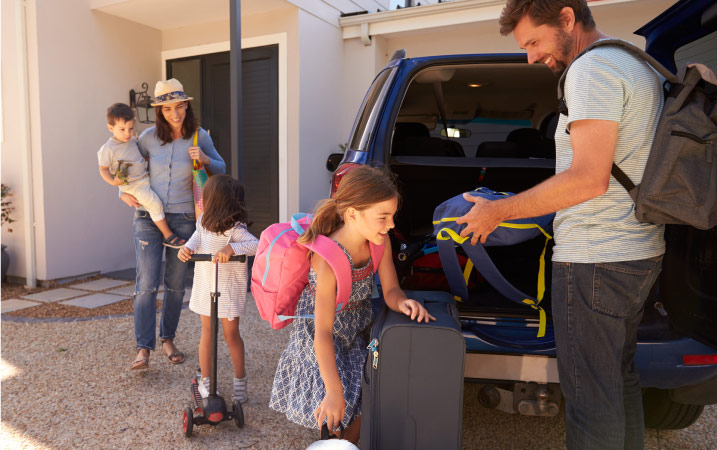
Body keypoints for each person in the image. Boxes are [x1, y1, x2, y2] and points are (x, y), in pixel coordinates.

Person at [457, 1, 665, 448]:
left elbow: (588, 178)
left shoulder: (592, 70)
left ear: (567, 19)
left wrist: (497, 211)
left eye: (534, 41)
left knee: (591, 401)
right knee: (618, 380)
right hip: (638, 252)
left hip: (595, 260)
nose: (530, 56)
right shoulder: (634, 63)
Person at [269, 166, 435, 444]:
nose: (391, 225)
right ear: (353, 214)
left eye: (392, 216)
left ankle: (347, 442)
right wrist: (333, 391)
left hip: (354, 332)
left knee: (366, 394)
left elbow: (391, 289)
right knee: (337, 405)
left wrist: (403, 302)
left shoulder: (379, 243)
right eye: (383, 217)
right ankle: (335, 441)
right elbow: (322, 332)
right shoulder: (328, 260)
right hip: (320, 338)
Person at [122, 78, 226, 371]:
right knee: (146, 283)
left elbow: (222, 167)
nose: (175, 114)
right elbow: (128, 168)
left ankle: (167, 339)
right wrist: (123, 193)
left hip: (183, 219)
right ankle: (143, 348)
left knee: (176, 285)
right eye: (168, 109)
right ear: (160, 111)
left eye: (179, 107)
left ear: (186, 106)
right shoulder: (146, 138)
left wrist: (205, 158)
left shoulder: (199, 135)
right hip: (146, 217)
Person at [177, 175, 258, 403]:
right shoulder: (202, 221)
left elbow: (257, 244)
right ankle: (206, 381)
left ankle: (240, 381)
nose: (202, 199)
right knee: (207, 333)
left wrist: (232, 248)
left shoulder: (235, 228)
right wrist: (187, 249)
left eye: (205, 195)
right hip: (206, 287)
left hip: (228, 290)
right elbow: (195, 239)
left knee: (231, 335)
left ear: (216, 200)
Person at [98, 103, 185, 248]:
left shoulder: (132, 140)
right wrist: (114, 183)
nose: (127, 133)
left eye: (131, 128)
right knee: (154, 204)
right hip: (133, 185)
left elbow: (137, 156)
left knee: (156, 201)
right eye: (122, 129)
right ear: (110, 128)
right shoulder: (108, 149)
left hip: (145, 178)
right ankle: (167, 234)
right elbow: (103, 169)